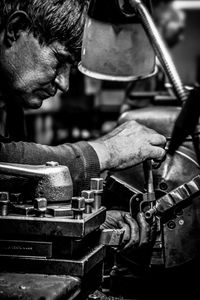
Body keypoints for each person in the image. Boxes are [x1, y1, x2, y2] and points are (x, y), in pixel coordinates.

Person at [0, 0, 166, 251]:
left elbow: (13, 185)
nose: (64, 84)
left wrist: (88, 221)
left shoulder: (10, 103)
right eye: (58, 59)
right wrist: (105, 152)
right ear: (16, 29)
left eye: (70, 69)